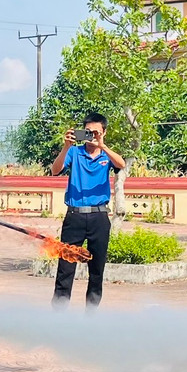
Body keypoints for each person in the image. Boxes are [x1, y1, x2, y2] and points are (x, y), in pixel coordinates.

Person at [50, 112, 125, 308]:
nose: (91, 136)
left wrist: (102, 146)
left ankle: (91, 316)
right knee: (65, 268)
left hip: (99, 217)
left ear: (104, 132)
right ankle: (58, 315)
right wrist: (66, 146)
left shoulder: (106, 155)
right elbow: (55, 170)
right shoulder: (74, 152)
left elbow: (121, 164)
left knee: (97, 270)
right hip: (74, 216)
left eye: (96, 132)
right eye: (88, 132)